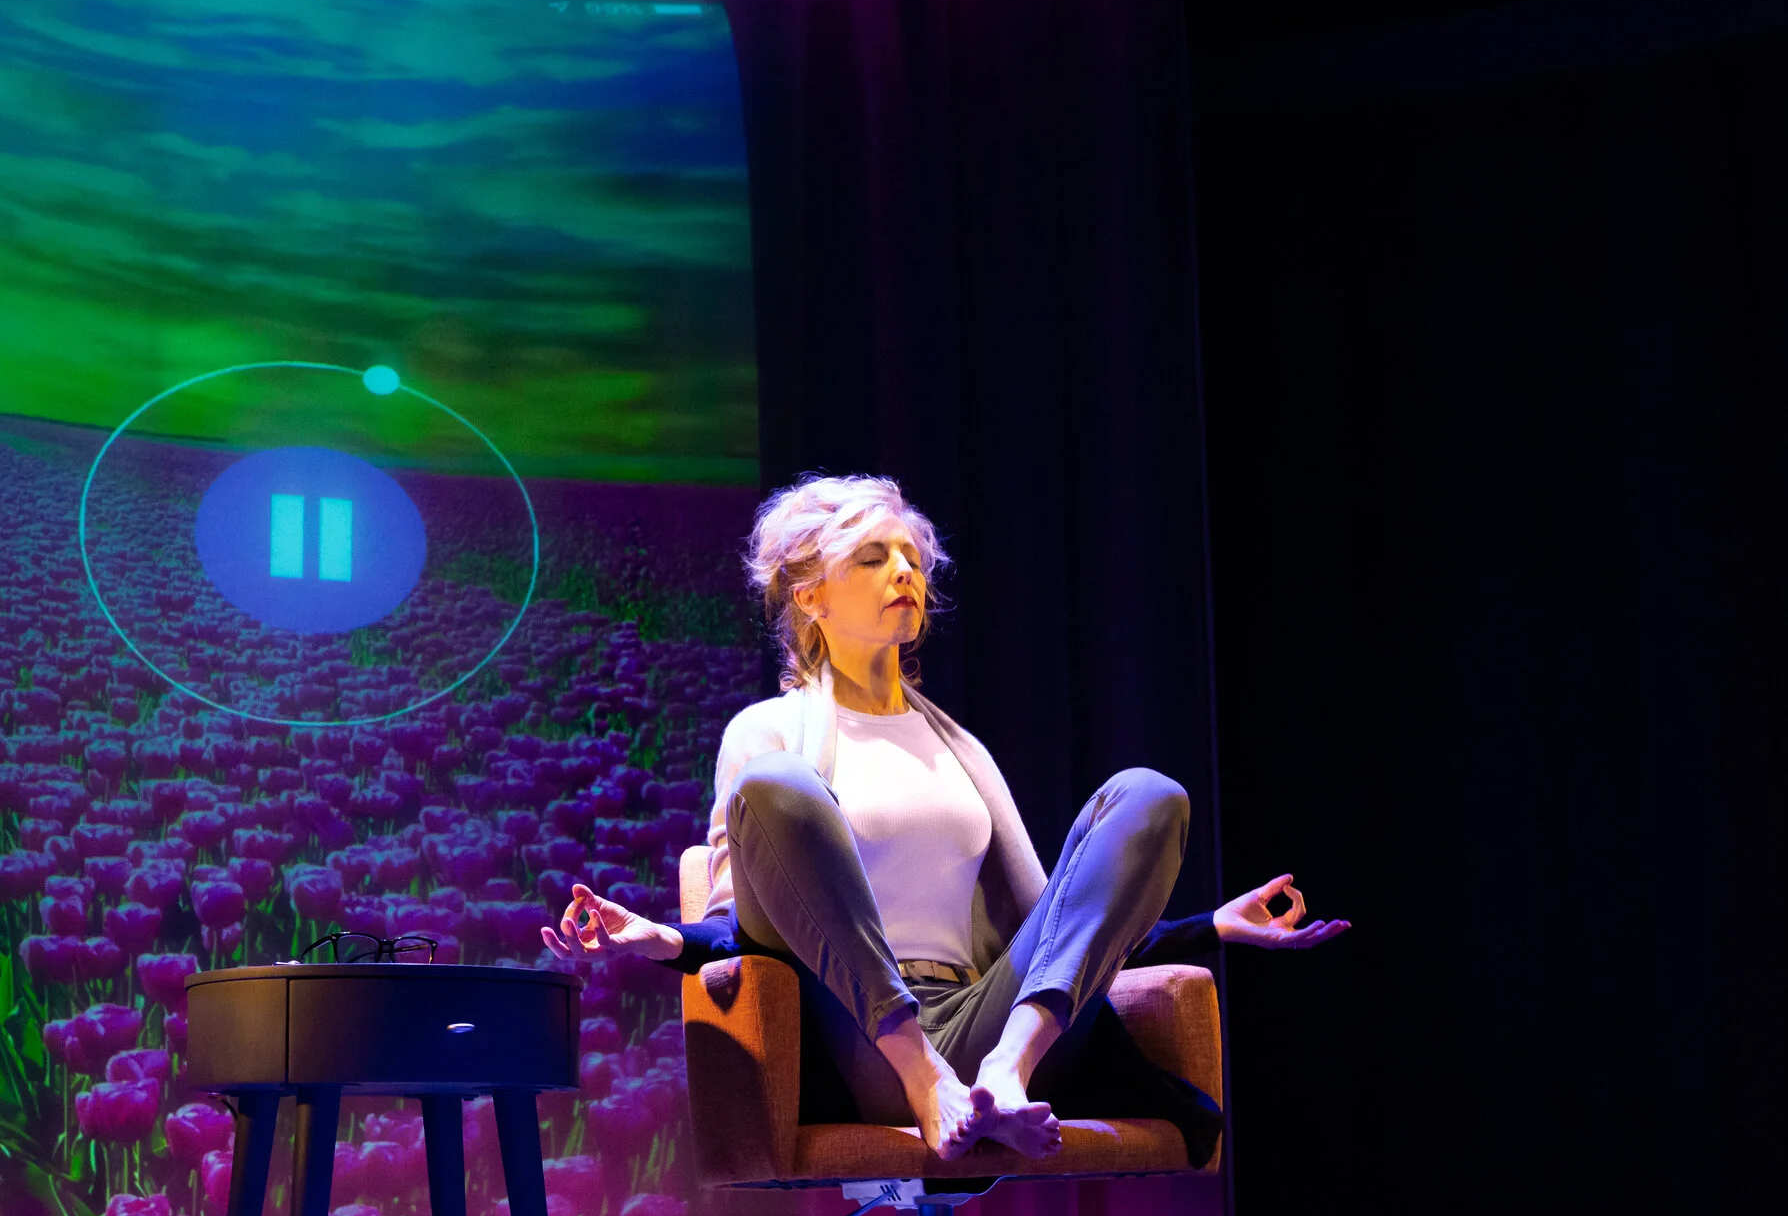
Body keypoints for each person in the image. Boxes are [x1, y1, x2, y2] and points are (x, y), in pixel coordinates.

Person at [539, 472, 1346, 1162]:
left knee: (1149, 794)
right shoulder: (768, 733)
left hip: (992, 1023)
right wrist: (660, 938)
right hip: (865, 1039)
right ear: (810, 596)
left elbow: (1056, 924)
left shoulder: (961, 750)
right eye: (873, 557)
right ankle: (927, 1080)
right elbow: (745, 921)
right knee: (775, 785)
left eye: (912, 559)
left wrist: (1212, 926)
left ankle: (1006, 1074)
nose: (904, 571)